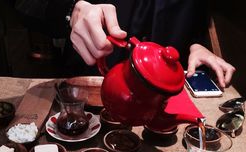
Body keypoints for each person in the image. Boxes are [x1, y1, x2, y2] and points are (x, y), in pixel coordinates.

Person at [66, 0, 235, 88]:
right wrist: (72, 9)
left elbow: (195, 20)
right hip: (90, 86)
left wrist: (197, 45)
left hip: (162, 99)